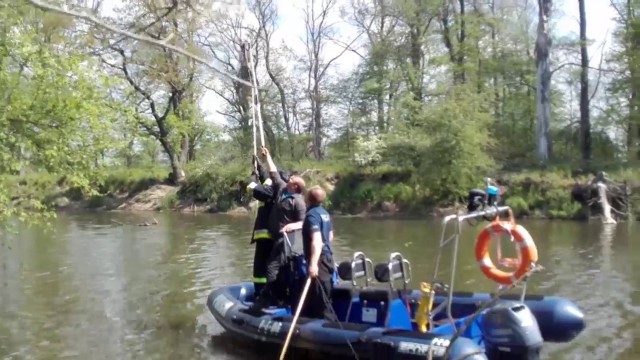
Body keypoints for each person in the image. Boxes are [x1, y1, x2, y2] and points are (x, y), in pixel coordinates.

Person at [251, 146, 307, 310]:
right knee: (277, 268)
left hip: (287, 241)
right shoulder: (282, 189)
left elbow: (304, 222)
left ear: (295, 186)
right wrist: (267, 156)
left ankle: (271, 299)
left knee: (272, 268)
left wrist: (292, 225)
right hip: (277, 239)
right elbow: (274, 172)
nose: (289, 179)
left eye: (292, 180)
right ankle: (278, 296)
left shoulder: (298, 201)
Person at [301, 185, 337, 321]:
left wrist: (313, 264)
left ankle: (329, 325)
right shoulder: (324, 213)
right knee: (315, 295)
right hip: (327, 257)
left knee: (322, 299)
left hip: (320, 261)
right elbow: (330, 236)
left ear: (307, 199)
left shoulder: (311, 215)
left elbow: (317, 240)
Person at [246, 155, 275, 296]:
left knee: (261, 269)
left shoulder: (273, 191)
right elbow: (267, 180)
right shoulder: (278, 186)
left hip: (267, 237)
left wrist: (252, 180)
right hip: (270, 236)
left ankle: (262, 295)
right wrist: (259, 166)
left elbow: (262, 191)